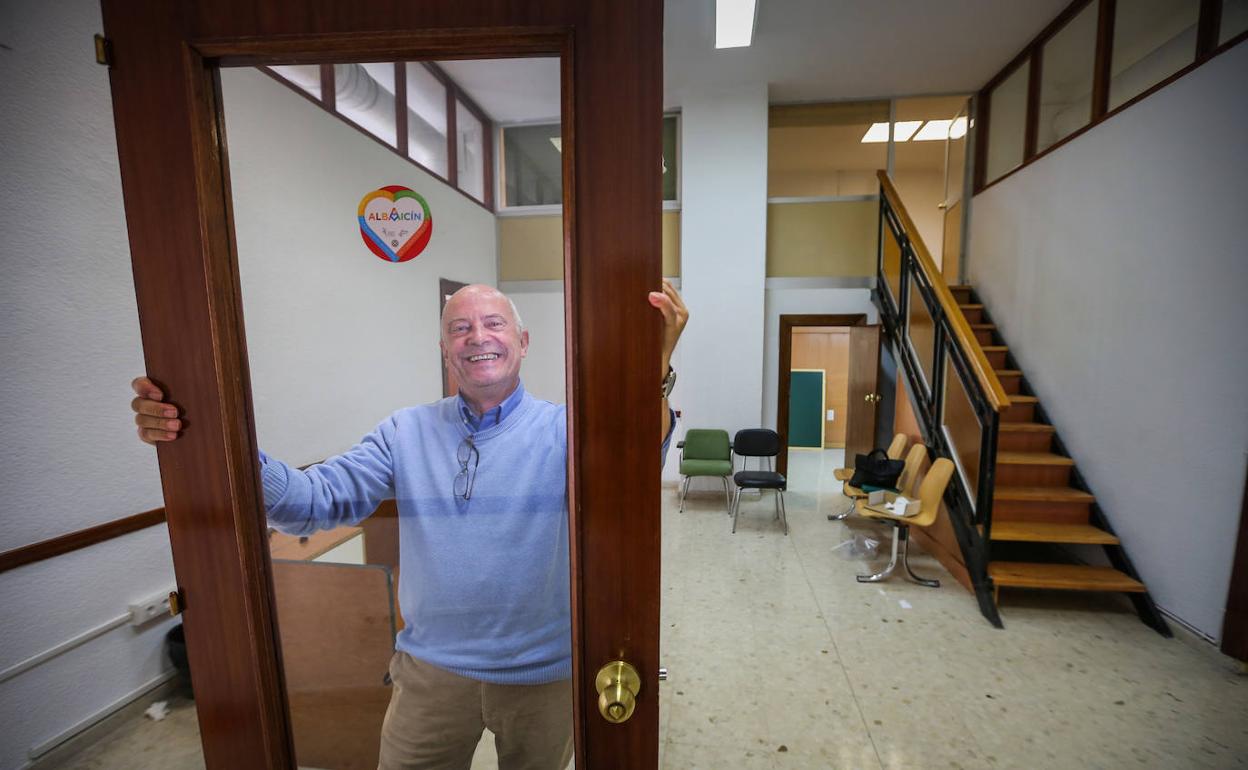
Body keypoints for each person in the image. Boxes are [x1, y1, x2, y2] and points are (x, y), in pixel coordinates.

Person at [130, 281, 689, 770]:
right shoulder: (405, 432)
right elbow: (311, 503)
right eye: (459, 329)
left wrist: (654, 368)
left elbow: (637, 464)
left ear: (523, 342)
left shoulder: (566, 428)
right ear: (445, 351)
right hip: (431, 672)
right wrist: (211, 431)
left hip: (543, 673)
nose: (477, 337)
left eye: (494, 324)